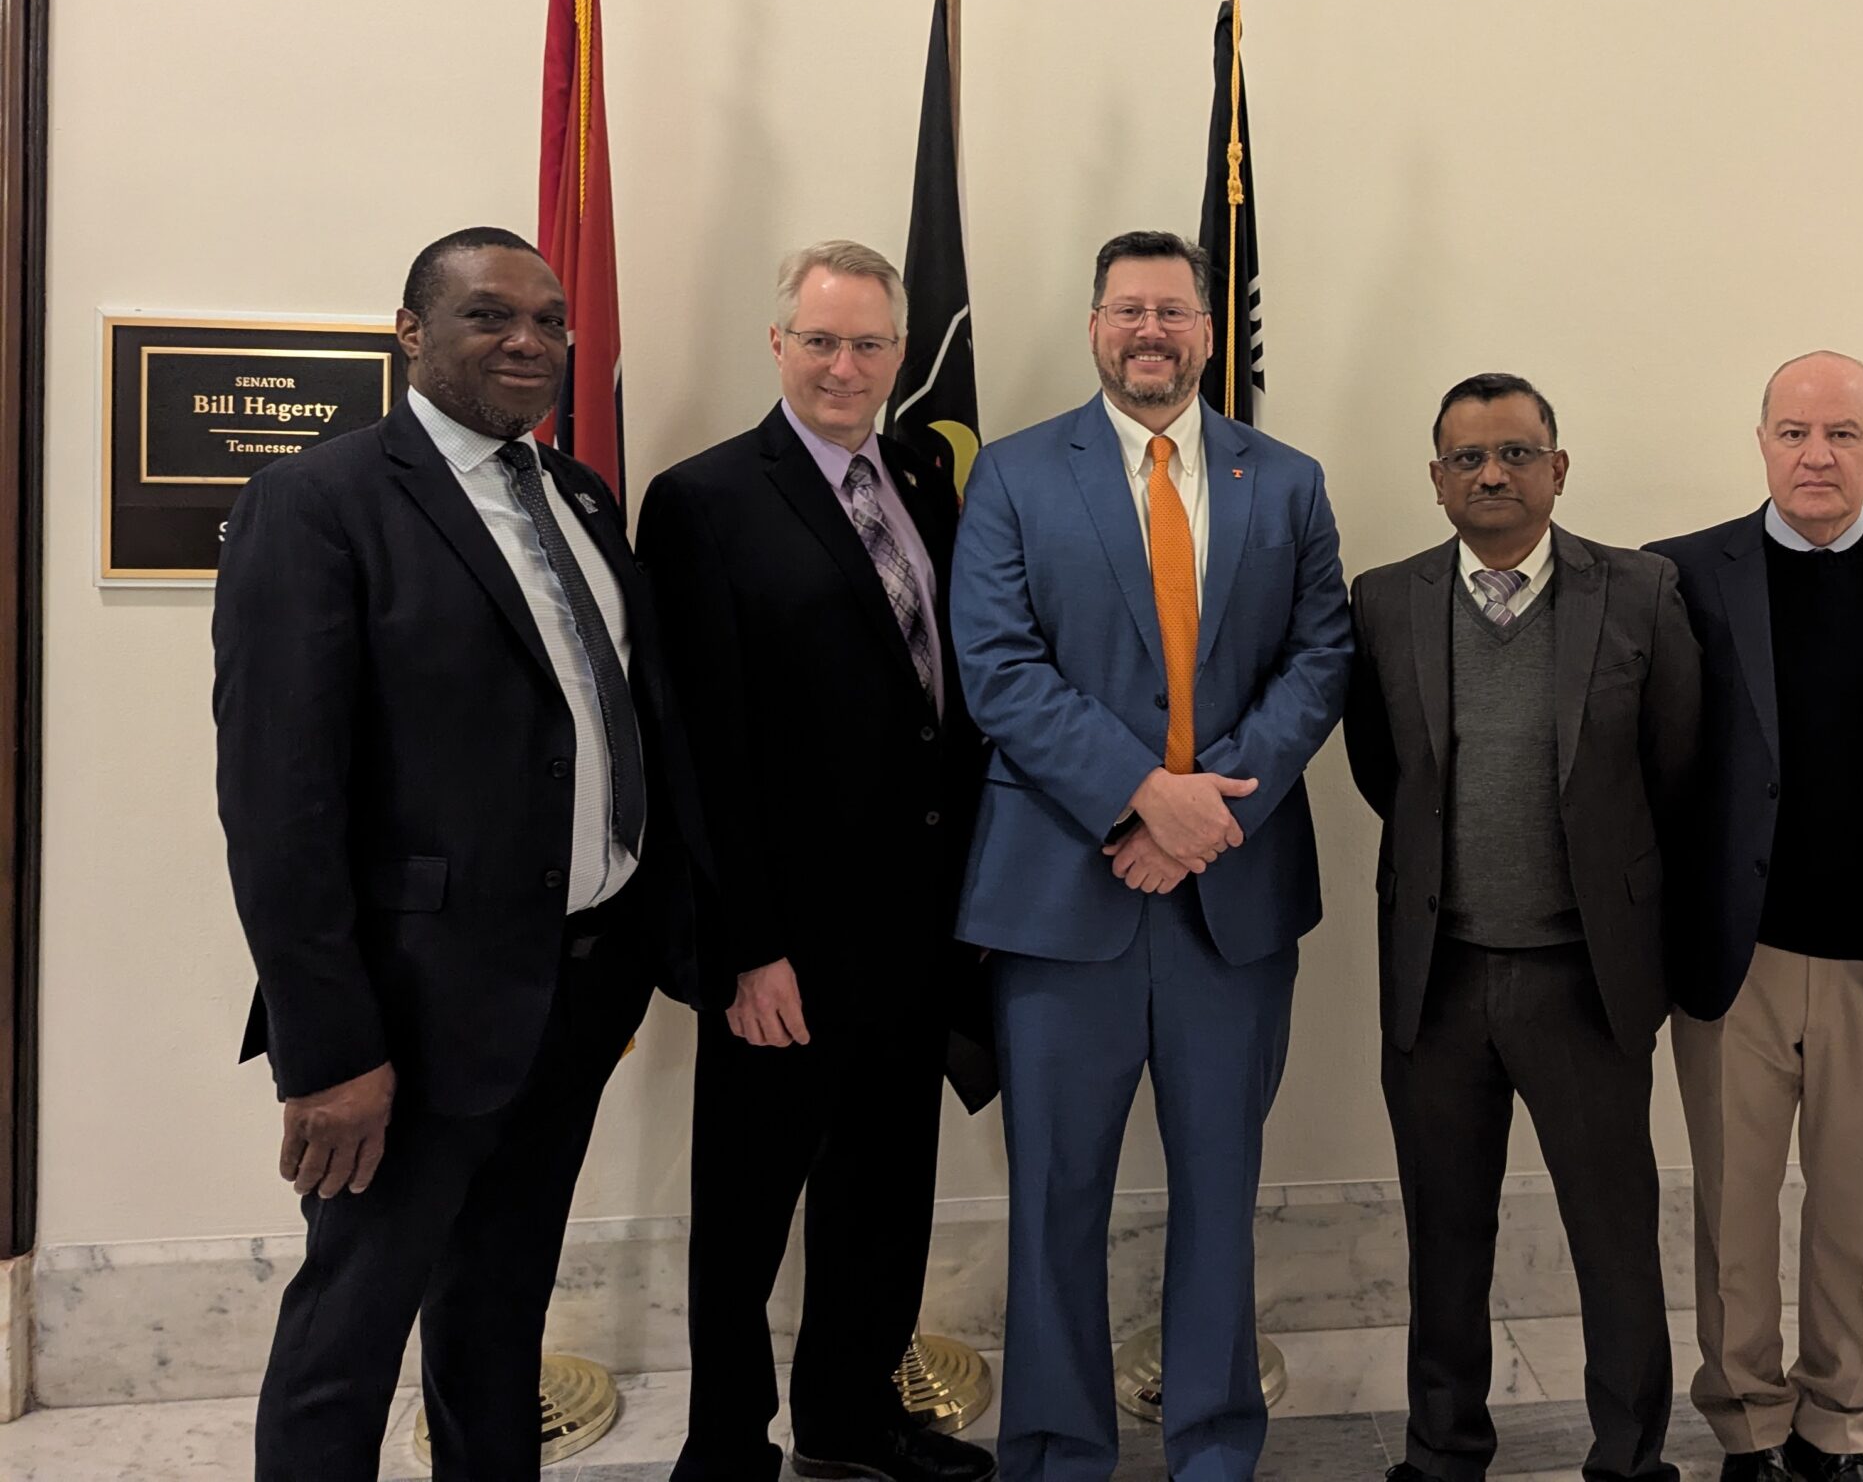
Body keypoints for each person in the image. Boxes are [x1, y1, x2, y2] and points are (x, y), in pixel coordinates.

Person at [212, 226, 697, 1481]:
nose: (529, 339)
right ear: (411, 333)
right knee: (348, 1337)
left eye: (548, 317)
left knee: (498, 1311)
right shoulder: (319, 500)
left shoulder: (578, 494)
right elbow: (279, 804)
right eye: (489, 316)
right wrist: (331, 1049)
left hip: (576, 987)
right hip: (412, 1013)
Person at [948, 228, 1353, 1482]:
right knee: (1055, 1198)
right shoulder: (1014, 476)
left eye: (1173, 311)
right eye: (1127, 310)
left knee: (1219, 1193)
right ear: (1092, 326)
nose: (1151, 332)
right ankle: (1059, 1448)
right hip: (1065, 900)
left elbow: (1320, 652)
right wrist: (1138, 801)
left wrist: (1205, 815)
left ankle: (1215, 1441)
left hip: (1230, 906)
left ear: (1207, 329)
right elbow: (997, 667)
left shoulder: (1281, 480)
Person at [639, 241, 992, 1482]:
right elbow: (700, 742)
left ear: (902, 353)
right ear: (777, 344)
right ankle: (726, 1442)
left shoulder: (924, 475)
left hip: (919, 928)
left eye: (870, 344)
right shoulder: (702, 499)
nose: (846, 365)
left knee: (883, 1198)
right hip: (781, 941)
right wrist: (747, 945)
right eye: (821, 340)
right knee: (744, 1214)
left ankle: (851, 1419)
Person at [1345, 372, 1703, 1482]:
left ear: (1558, 467)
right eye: (1467, 456)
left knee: (1614, 1236)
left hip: (1585, 979)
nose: (1491, 473)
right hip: (1438, 976)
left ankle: (1629, 1454)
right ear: (1437, 477)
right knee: (1444, 1236)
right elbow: (1380, 766)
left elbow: (1677, 765)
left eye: (1514, 452)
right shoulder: (1386, 597)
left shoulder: (1641, 591)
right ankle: (1444, 1448)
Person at [1645, 352, 1863, 1482]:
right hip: (1730, 958)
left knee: (1855, 1216)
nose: (1816, 454)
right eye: (1794, 431)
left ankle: (1838, 1423)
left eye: (1842, 433)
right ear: (1760, 441)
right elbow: (1646, 774)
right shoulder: (1680, 575)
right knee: (1732, 1214)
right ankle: (1746, 1426)